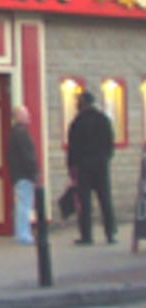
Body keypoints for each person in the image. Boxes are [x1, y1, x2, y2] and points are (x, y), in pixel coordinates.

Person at [67, 91, 116, 245]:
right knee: (105, 199)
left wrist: (71, 167)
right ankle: (110, 233)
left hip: (83, 166)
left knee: (85, 202)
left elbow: (72, 148)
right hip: (101, 164)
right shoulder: (103, 120)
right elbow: (110, 143)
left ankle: (87, 235)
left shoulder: (77, 122)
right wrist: (105, 158)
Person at [8, 105, 38, 245]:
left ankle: (22, 233)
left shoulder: (15, 133)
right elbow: (27, 155)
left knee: (23, 203)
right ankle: (23, 235)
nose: (29, 116)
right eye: (25, 114)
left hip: (19, 173)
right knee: (24, 204)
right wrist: (34, 171)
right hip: (24, 174)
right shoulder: (21, 134)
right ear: (18, 116)